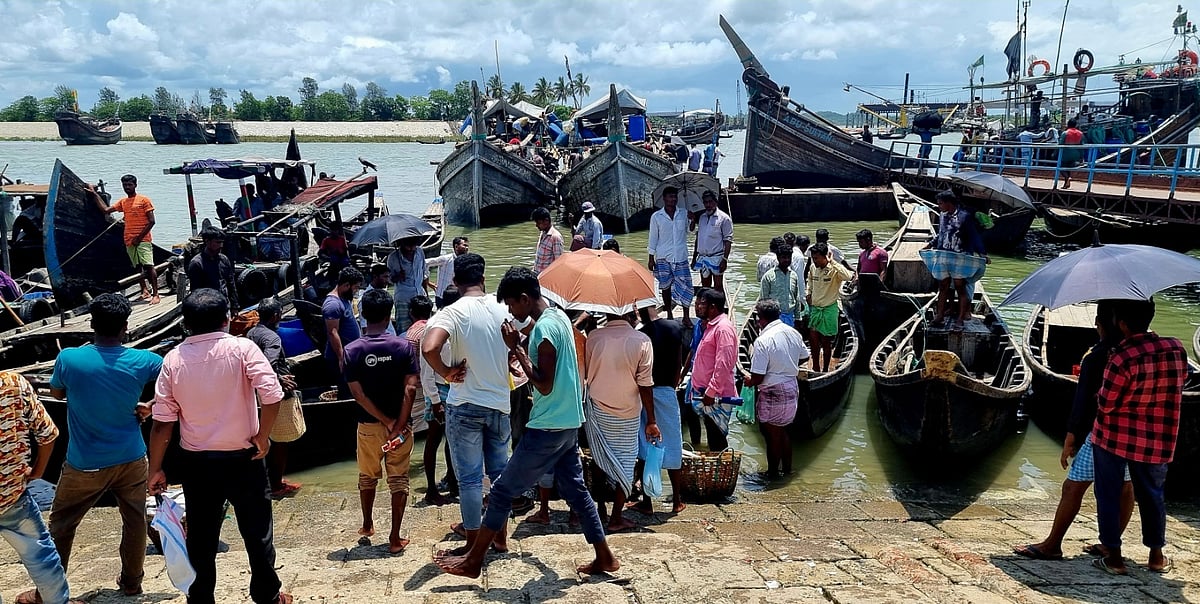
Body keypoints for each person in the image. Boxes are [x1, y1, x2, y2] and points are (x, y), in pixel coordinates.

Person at [435, 267, 619, 579]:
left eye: (510, 304)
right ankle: (605, 556)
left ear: (524, 298)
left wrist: (516, 349)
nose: (509, 310)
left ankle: (473, 561)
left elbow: (544, 384)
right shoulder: (558, 317)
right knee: (576, 490)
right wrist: (520, 339)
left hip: (547, 425)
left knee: (503, 491)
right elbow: (548, 349)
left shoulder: (545, 332)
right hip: (569, 421)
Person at [148, 288, 291, 604]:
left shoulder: (173, 359)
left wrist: (155, 468)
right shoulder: (243, 348)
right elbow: (272, 394)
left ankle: (201, 599)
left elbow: (162, 423)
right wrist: (263, 436)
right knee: (258, 534)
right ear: (227, 319)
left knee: (201, 538)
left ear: (186, 323)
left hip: (197, 462)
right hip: (245, 457)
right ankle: (267, 595)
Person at [32, 294, 162, 600]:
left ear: (91, 324)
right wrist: (153, 405)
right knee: (134, 520)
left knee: (62, 524)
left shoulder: (70, 359)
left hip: (84, 463)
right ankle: (132, 582)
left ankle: (49, 591)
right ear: (126, 327)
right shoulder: (145, 361)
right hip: (131, 457)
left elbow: (57, 393)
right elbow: (179, 379)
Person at [1013, 302, 1134, 562]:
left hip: (1103, 432)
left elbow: (1082, 404)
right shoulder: (1138, 353)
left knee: (1073, 487)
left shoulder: (1098, 356)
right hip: (1133, 432)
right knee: (1125, 487)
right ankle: (1109, 543)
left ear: (1099, 325)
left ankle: (1053, 545)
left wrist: (1070, 439)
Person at [422, 253, 512, 556]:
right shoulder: (502, 309)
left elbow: (429, 346)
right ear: (484, 279)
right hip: (500, 403)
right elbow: (521, 336)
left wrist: (446, 372)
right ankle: (500, 538)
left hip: (466, 404)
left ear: (454, 282)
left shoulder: (452, 311)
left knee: (471, 479)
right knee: (499, 477)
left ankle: (473, 544)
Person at [1090, 298, 1187, 576]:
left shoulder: (1121, 357)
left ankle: (1115, 557)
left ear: (1121, 324)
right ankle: (1156, 555)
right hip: (1158, 437)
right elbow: (1180, 382)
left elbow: (1106, 403)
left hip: (1113, 437)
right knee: (1153, 495)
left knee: (1108, 495)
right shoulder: (1176, 348)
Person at [344, 289, 420, 554]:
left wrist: (384, 420)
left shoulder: (351, 350)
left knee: (367, 476)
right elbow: (410, 390)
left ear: (363, 315)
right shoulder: (403, 347)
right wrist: (397, 424)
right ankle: (395, 539)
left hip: (367, 426)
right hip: (401, 428)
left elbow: (357, 394)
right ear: (389, 316)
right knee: (398, 480)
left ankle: (367, 525)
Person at [2, 371, 80, 604]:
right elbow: (48, 435)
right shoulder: (13, 382)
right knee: (41, 555)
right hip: (12, 492)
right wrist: (37, 471)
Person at [584, 307, 656, 532]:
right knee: (625, 462)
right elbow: (645, 384)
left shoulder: (593, 337)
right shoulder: (642, 340)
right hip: (627, 411)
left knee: (598, 458)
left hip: (596, 406)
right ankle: (616, 516)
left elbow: (585, 371)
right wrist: (651, 420)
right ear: (630, 316)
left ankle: (600, 509)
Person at [631, 306, 688, 515]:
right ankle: (677, 500)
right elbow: (679, 363)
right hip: (667, 390)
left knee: (646, 445)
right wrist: (673, 384)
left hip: (646, 391)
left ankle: (647, 502)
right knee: (673, 445)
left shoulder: (641, 334)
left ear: (638, 312)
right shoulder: (675, 327)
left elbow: (638, 368)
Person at [745, 299, 810, 479]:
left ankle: (773, 473)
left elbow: (757, 376)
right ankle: (787, 470)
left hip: (773, 390)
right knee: (783, 432)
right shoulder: (792, 332)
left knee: (771, 435)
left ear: (761, 319)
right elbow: (805, 356)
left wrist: (749, 381)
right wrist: (787, 364)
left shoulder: (762, 340)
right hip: (791, 386)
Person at [246, 297, 302, 498]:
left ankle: (270, 479)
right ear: (277, 316)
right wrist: (279, 377)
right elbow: (267, 364)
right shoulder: (272, 338)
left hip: (256, 393)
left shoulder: (252, 332)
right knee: (281, 440)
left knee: (266, 437)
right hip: (274, 392)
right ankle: (277, 484)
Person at [923, 190, 988, 328]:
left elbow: (973, 236)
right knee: (943, 286)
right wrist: (929, 245)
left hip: (960, 256)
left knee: (960, 287)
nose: (938, 206)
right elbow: (941, 234)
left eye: (940, 203)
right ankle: (939, 316)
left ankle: (960, 319)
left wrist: (982, 253)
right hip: (944, 255)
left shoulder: (965, 217)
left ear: (948, 203)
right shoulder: (942, 216)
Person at [419, 286, 461, 503]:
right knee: (433, 440)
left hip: (454, 387)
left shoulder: (457, 325)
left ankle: (453, 485)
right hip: (437, 388)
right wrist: (435, 401)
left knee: (452, 441)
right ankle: (431, 489)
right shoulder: (434, 327)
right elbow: (426, 371)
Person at [90, 175, 159, 304]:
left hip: (143, 239)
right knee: (137, 266)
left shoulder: (144, 200)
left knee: (149, 266)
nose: (127, 187)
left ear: (135, 185)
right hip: (129, 239)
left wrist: (139, 238)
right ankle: (144, 291)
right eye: (125, 185)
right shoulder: (123, 202)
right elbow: (106, 210)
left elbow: (151, 221)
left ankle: (156, 294)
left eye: (129, 185)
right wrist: (94, 194)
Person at [689, 288, 738, 452]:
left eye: (702, 304)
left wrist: (711, 391)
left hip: (716, 395)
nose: (698, 307)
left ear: (713, 307)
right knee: (712, 436)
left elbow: (724, 364)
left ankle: (721, 475)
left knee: (717, 440)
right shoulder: (710, 326)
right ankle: (716, 474)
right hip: (705, 393)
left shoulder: (723, 328)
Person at [647, 186, 693, 326]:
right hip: (663, 256)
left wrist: (692, 220)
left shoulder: (683, 213)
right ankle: (669, 314)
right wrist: (650, 257)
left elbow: (689, 231)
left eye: (674, 197)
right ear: (664, 198)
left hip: (680, 256)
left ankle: (686, 316)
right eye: (670, 196)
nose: (672, 199)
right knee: (665, 287)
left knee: (686, 286)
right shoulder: (656, 217)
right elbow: (653, 237)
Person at [805, 243, 854, 373]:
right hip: (815, 309)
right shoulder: (812, 268)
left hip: (829, 310)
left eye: (816, 258)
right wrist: (808, 293)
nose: (814, 261)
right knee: (813, 341)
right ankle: (815, 367)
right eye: (813, 258)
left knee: (826, 342)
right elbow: (809, 281)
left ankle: (826, 368)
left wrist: (833, 261)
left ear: (824, 256)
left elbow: (849, 276)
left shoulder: (834, 269)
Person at [324, 267, 364, 397]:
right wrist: (341, 358)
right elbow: (332, 333)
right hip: (340, 356)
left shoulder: (345, 298)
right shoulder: (332, 304)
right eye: (356, 287)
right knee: (346, 390)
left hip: (350, 354)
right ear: (346, 285)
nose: (356, 291)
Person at [187, 226, 239, 310]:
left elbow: (231, 284)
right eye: (218, 242)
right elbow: (195, 292)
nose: (221, 245)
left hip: (225, 305)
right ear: (207, 241)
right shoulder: (197, 263)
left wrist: (235, 305)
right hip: (208, 308)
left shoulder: (224, 260)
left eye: (222, 242)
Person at [692, 190, 733, 293]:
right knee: (705, 287)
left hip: (717, 257)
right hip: (703, 257)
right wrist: (694, 258)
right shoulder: (702, 218)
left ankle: (719, 308)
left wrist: (725, 259)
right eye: (706, 202)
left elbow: (728, 240)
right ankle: (708, 308)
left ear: (716, 202)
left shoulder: (724, 219)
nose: (708, 205)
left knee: (718, 287)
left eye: (710, 202)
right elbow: (698, 238)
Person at [386, 239, 430, 333]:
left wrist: (426, 292)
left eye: (413, 245)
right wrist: (398, 277)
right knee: (403, 328)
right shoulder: (393, 257)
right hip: (403, 298)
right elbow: (389, 279)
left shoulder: (420, 252)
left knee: (423, 327)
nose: (411, 249)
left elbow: (423, 273)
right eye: (408, 246)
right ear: (402, 244)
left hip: (419, 295)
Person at [759, 245, 802, 327]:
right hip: (774, 318)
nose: (787, 260)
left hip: (790, 316)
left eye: (789, 257)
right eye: (784, 257)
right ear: (778, 258)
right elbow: (763, 300)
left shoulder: (794, 275)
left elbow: (796, 298)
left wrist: (798, 317)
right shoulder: (768, 276)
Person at [426, 236, 470, 307]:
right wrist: (427, 281)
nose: (467, 248)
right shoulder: (446, 259)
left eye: (467, 246)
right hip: (442, 296)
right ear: (456, 246)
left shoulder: (466, 262)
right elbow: (426, 263)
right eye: (464, 245)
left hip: (458, 297)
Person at [355, 264, 395, 335]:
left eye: (388, 277)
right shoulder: (365, 298)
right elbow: (365, 328)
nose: (388, 280)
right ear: (375, 277)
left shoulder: (384, 295)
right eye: (385, 277)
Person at [532, 207, 563, 274]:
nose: (536, 225)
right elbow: (539, 258)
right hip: (537, 274)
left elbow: (558, 262)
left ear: (546, 221)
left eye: (538, 223)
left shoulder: (555, 237)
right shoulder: (543, 233)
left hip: (546, 277)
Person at [1061, 118, 1085, 189]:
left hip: (1066, 154)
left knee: (1061, 168)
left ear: (1068, 125)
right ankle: (1066, 183)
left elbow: (1060, 144)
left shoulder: (1065, 133)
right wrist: (1081, 156)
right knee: (1069, 167)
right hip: (1076, 154)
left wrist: (1055, 153)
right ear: (1075, 125)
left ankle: (1067, 178)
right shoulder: (1080, 134)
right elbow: (1082, 146)